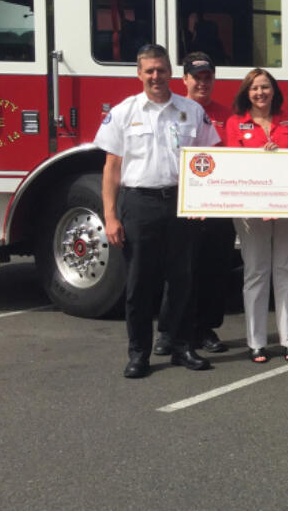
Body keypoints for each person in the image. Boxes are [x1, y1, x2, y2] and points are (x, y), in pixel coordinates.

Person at [96, 43, 219, 379]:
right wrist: (110, 216)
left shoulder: (192, 111)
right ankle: (139, 354)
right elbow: (112, 167)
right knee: (138, 284)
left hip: (182, 201)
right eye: (149, 70)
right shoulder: (124, 112)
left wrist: (203, 201)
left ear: (171, 73)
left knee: (182, 280)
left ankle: (181, 346)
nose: (155, 76)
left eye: (161, 70)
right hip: (140, 203)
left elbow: (211, 159)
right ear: (139, 74)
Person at [153, 52, 234, 357]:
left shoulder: (228, 115)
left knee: (214, 269)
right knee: (178, 271)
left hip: (218, 206)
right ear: (184, 79)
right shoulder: (174, 111)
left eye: (207, 77)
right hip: (182, 204)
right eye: (196, 77)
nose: (202, 82)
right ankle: (169, 331)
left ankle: (205, 329)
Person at [224, 68, 288, 363]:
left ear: (274, 91)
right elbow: (232, 162)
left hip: (287, 206)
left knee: (287, 269)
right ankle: (256, 342)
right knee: (256, 271)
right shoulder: (235, 123)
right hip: (251, 208)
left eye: (265, 87)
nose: (260, 93)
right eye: (255, 88)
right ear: (247, 92)